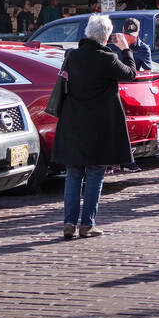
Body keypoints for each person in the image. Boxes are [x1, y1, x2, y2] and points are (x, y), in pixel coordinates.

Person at [54, 14, 137, 238]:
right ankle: (87, 224)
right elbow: (130, 74)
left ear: (87, 32)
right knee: (95, 173)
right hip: (99, 124)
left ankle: (69, 222)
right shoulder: (107, 58)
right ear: (107, 36)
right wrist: (126, 49)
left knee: (73, 173)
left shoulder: (72, 56)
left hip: (73, 122)